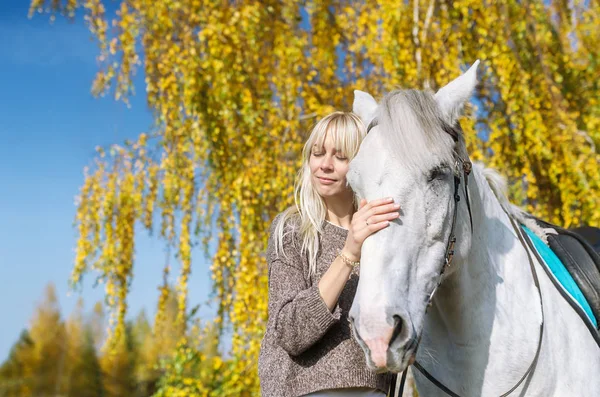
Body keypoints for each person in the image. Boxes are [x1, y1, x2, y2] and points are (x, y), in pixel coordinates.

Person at [258, 111, 401, 396]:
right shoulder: (291, 230)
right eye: (317, 153)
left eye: (340, 156)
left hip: (373, 389)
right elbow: (290, 332)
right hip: (301, 389)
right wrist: (349, 252)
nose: (324, 165)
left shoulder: (383, 235)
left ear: (361, 166)